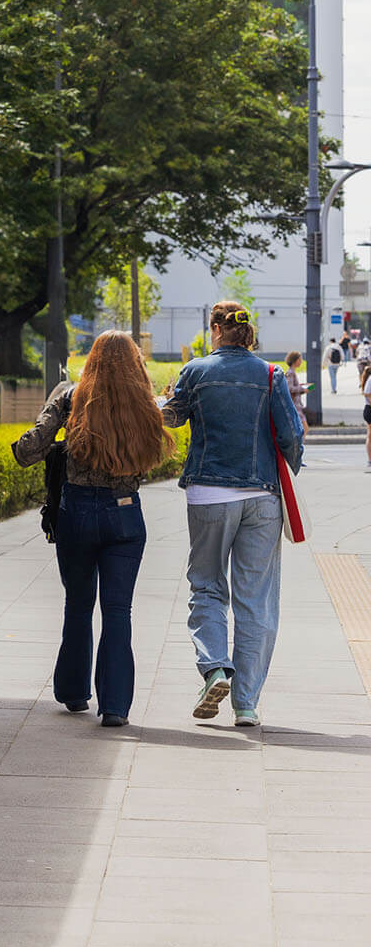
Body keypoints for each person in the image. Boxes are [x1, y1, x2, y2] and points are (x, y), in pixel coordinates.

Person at [14, 330, 173, 728]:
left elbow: (28, 452)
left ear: (92, 359)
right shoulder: (144, 404)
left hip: (77, 513)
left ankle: (72, 692)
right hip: (125, 515)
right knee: (119, 611)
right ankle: (116, 706)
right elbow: (170, 425)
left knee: (78, 604)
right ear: (135, 363)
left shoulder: (70, 395)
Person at [161, 302, 303, 728]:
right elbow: (292, 435)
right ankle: (246, 704)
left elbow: (172, 416)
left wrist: (167, 398)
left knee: (206, 586)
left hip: (208, 495)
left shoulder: (196, 371)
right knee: (255, 600)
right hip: (262, 496)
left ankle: (215, 669)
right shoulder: (271, 374)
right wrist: (287, 473)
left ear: (215, 330)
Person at [284, 350, 308, 437]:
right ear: (295, 360)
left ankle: (298, 446)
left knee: (302, 428)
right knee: (304, 427)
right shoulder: (291, 373)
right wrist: (302, 389)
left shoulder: (292, 372)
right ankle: (298, 447)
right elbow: (290, 388)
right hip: (295, 405)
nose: (301, 361)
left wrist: (302, 389)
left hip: (297, 405)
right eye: (300, 359)